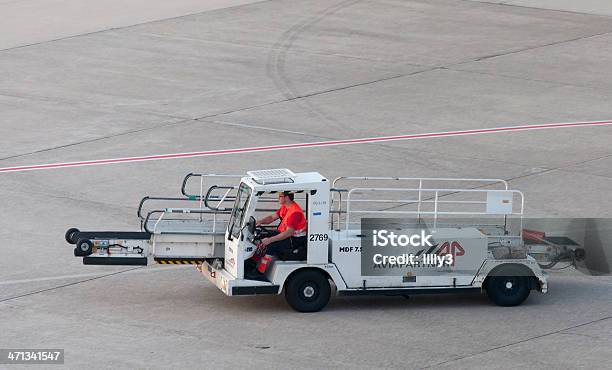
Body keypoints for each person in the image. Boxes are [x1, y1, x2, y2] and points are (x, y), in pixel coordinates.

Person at [256, 191, 307, 258]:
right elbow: (272, 218)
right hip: (286, 235)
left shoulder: (295, 213)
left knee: (270, 246)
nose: (278, 198)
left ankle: (262, 267)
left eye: (280, 196)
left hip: (294, 241)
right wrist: (260, 221)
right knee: (261, 235)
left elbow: (288, 233)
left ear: (287, 197)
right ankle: (253, 262)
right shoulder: (285, 207)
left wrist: (269, 240)